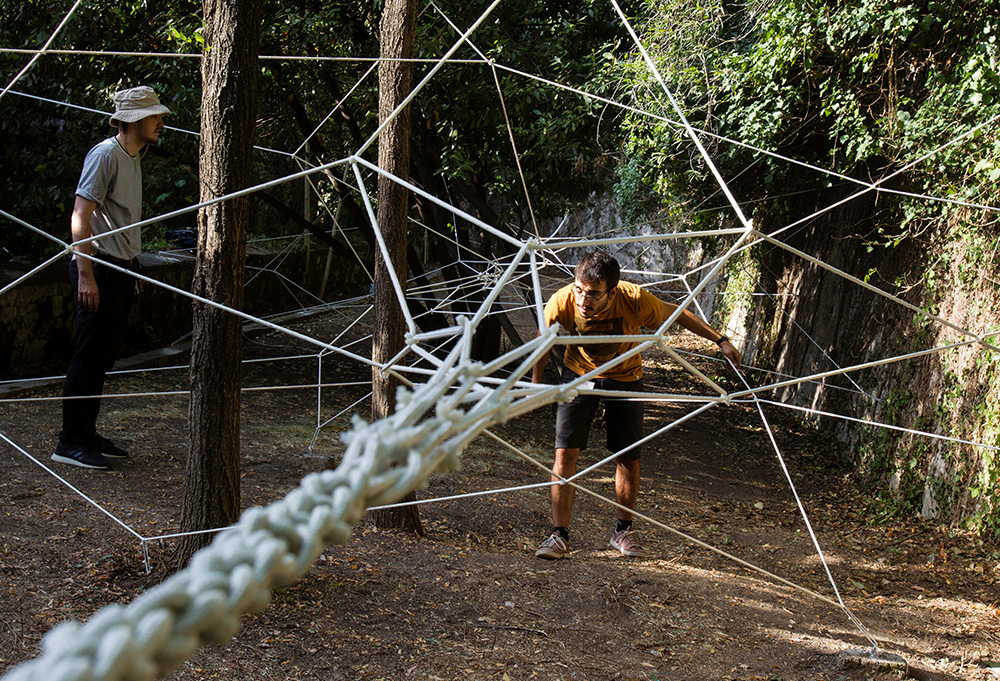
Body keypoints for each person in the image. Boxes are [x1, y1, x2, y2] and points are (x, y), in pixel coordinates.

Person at [531, 251, 742, 559]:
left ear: (612, 292)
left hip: (626, 376)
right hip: (578, 376)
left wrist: (720, 339)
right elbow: (543, 338)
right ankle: (558, 536)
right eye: (579, 289)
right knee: (564, 455)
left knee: (628, 457)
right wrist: (536, 384)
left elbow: (678, 312)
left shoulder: (634, 299)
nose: (582, 300)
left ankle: (623, 531)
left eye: (592, 295)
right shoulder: (562, 300)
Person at [52, 86, 170, 470]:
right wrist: (86, 276)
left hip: (120, 269)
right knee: (88, 356)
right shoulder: (105, 155)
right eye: (155, 116)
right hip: (97, 267)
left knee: (103, 357)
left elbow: (122, 223)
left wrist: (131, 266)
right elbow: (80, 217)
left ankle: (87, 434)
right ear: (134, 120)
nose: (160, 122)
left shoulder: (134, 156)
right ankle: (69, 442)